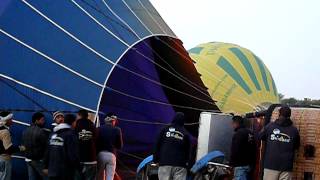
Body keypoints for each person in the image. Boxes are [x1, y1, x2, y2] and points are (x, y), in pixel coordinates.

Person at [259, 106, 300, 180]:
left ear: (279, 114)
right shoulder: (294, 130)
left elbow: (260, 136)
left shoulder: (270, 126)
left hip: (270, 165)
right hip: (286, 167)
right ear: (289, 116)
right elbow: (296, 146)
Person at [154, 112, 191, 180]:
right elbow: (188, 151)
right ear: (183, 121)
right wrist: (188, 164)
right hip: (180, 165)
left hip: (165, 163)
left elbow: (157, 145)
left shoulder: (164, 130)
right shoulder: (185, 133)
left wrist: (155, 160)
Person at [44, 114, 80, 180]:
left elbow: (48, 151)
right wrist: (79, 167)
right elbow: (72, 154)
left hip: (52, 171)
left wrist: (45, 166)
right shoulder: (70, 135)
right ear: (73, 122)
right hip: (65, 172)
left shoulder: (53, 134)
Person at [22, 112, 49, 180]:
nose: (44, 121)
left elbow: (23, 146)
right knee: (47, 177)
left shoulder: (25, 131)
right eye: (42, 120)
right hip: (38, 160)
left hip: (28, 159)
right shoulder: (41, 131)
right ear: (36, 120)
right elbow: (46, 147)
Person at [96, 113, 123, 180]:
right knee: (110, 177)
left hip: (100, 154)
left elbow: (95, 142)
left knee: (99, 176)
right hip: (111, 155)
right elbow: (120, 146)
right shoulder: (117, 129)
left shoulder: (99, 129)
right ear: (113, 121)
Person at [0, 111, 24, 180]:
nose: (12, 121)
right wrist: (21, 148)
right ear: (5, 120)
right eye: (10, 119)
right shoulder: (5, 132)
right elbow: (9, 149)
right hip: (5, 160)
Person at [230, 116, 256, 180]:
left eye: (232, 123)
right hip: (249, 165)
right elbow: (254, 149)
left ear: (236, 123)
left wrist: (231, 163)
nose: (232, 125)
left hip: (240, 165)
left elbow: (235, 150)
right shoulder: (250, 133)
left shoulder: (238, 133)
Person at [75, 109, 97, 180]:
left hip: (79, 159)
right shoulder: (93, 125)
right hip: (91, 159)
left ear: (79, 115)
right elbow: (96, 139)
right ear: (87, 116)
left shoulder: (75, 125)